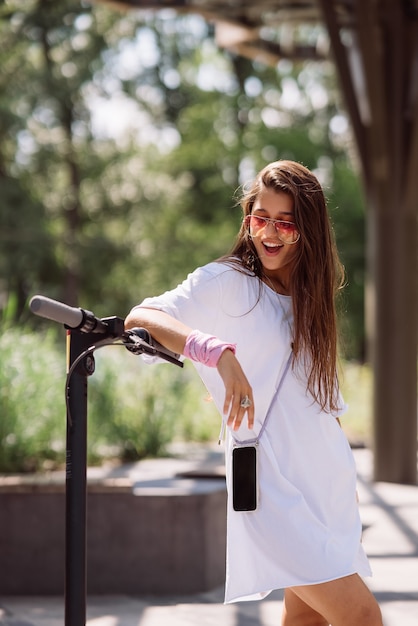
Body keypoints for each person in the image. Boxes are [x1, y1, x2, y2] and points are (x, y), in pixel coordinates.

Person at [124, 160, 383, 626]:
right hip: (271, 489)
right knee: (361, 617)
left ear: (309, 231)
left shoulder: (311, 300)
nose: (270, 232)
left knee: (306, 619)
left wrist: (346, 492)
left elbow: (324, 412)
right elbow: (141, 317)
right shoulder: (227, 282)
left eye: (286, 223)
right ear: (248, 218)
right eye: (260, 218)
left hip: (327, 492)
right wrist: (216, 353)